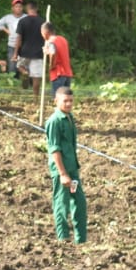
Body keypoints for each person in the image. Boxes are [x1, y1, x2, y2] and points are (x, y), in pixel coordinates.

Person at [45, 86, 87, 243]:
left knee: (79, 202)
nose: (68, 104)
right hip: (62, 172)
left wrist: (70, 171)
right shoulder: (54, 121)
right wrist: (62, 174)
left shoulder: (69, 117)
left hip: (72, 170)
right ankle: (63, 239)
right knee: (61, 204)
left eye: (71, 101)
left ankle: (81, 239)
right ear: (56, 101)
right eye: (65, 101)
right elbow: (54, 149)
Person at [15, 1, 45, 97]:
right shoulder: (43, 22)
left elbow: (18, 38)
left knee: (19, 66)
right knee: (36, 77)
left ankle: (25, 72)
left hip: (25, 51)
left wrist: (15, 53)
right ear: (36, 9)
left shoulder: (22, 21)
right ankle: (35, 97)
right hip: (38, 53)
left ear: (27, 9)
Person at [0, 0, 25, 88]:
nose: (18, 8)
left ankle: (25, 86)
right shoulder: (8, 18)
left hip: (24, 45)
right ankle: (13, 86)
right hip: (12, 45)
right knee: (12, 67)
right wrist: (6, 30)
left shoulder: (26, 17)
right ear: (13, 8)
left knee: (24, 66)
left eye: (20, 6)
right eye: (16, 6)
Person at [42, 21, 72, 96]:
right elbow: (59, 52)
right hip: (67, 73)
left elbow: (53, 52)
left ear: (46, 32)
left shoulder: (51, 41)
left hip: (58, 74)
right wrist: (47, 51)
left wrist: (51, 65)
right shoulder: (63, 39)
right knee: (65, 97)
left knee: (57, 98)